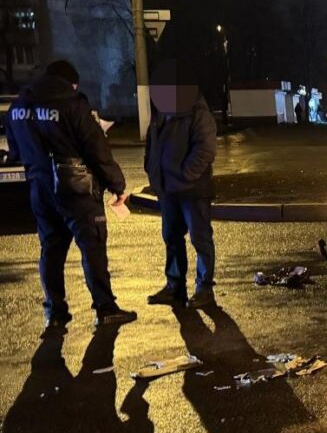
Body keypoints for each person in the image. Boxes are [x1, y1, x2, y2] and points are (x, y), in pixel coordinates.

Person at [5, 60, 137, 332]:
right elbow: (95, 148)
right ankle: (105, 308)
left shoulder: (19, 106)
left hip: (40, 189)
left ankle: (55, 313)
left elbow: (15, 150)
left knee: (51, 250)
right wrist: (117, 184)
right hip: (76, 188)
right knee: (92, 247)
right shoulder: (72, 102)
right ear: (70, 82)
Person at [144, 59, 218, 309]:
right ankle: (174, 286)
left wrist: (186, 174)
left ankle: (204, 288)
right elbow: (151, 146)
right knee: (171, 237)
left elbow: (206, 148)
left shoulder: (198, 112)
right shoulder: (160, 113)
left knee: (200, 238)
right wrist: (152, 172)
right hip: (167, 189)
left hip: (192, 190)